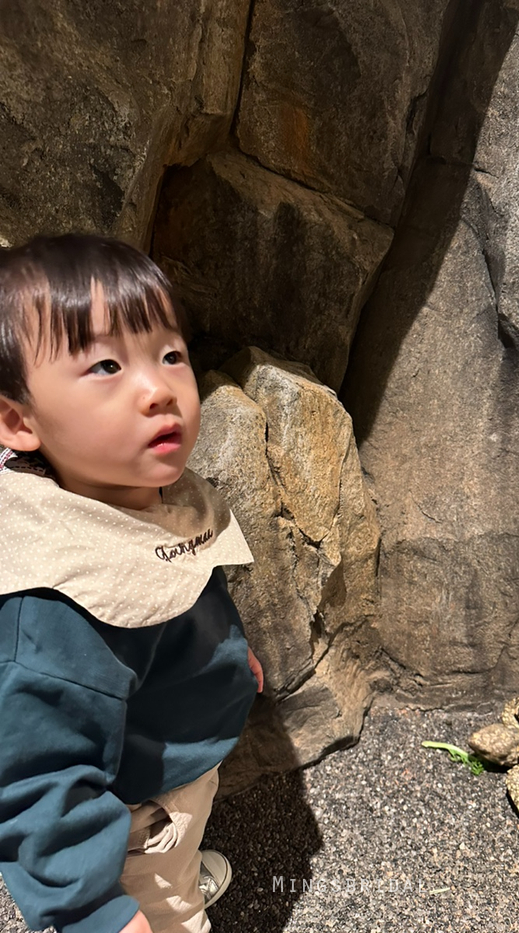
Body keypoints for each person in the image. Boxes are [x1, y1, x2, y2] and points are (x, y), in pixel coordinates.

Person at [0, 234, 264, 933]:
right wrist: (95, 909)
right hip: (134, 813)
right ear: (17, 420)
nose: (159, 390)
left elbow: (179, 580)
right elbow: (35, 782)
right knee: (157, 894)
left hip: (176, 759)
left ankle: (173, 879)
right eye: (107, 364)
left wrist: (229, 650)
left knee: (176, 851)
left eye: (170, 354)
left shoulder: (141, 492)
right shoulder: (54, 597)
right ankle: (160, 900)